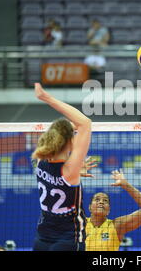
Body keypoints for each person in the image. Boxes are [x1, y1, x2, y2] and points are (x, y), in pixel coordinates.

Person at [31, 82, 92, 251]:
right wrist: (47, 97)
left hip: (43, 234)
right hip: (68, 237)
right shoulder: (70, 170)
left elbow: (60, 130)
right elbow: (85, 123)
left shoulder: (40, 159)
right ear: (69, 143)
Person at [85, 169, 141, 251]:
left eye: (105, 201)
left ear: (109, 210)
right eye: (97, 200)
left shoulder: (117, 226)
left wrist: (126, 185)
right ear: (90, 207)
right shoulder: (80, 224)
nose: (101, 202)